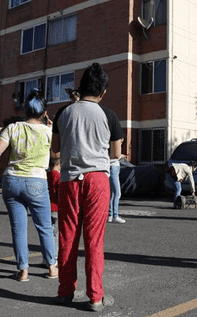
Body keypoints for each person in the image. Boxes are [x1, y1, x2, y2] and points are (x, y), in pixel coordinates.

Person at [51, 63, 115, 312]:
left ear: (80, 87)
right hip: (97, 179)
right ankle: (96, 297)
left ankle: (65, 292)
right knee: (94, 240)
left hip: (69, 180)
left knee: (67, 237)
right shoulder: (107, 114)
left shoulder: (63, 112)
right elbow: (116, 152)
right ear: (103, 92)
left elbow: (55, 149)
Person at [0, 89, 57, 282]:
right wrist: (50, 129)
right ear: (44, 113)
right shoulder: (48, 131)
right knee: (44, 226)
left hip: (12, 180)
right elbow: (57, 155)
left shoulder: (14, 127)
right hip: (37, 180)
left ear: (25, 111)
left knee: (18, 228)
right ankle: (52, 267)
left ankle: (23, 271)